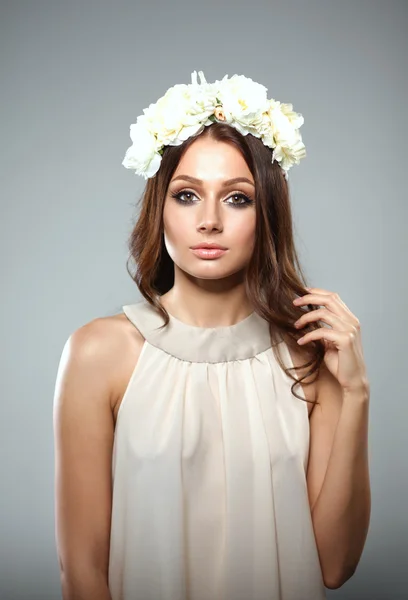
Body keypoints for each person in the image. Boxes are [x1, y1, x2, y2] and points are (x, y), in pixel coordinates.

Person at [53, 71, 371, 600]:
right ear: (160, 208)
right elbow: (82, 573)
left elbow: (335, 566)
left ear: (267, 213)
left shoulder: (310, 359)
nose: (208, 221)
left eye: (237, 199)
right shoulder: (99, 353)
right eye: (186, 195)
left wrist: (357, 393)